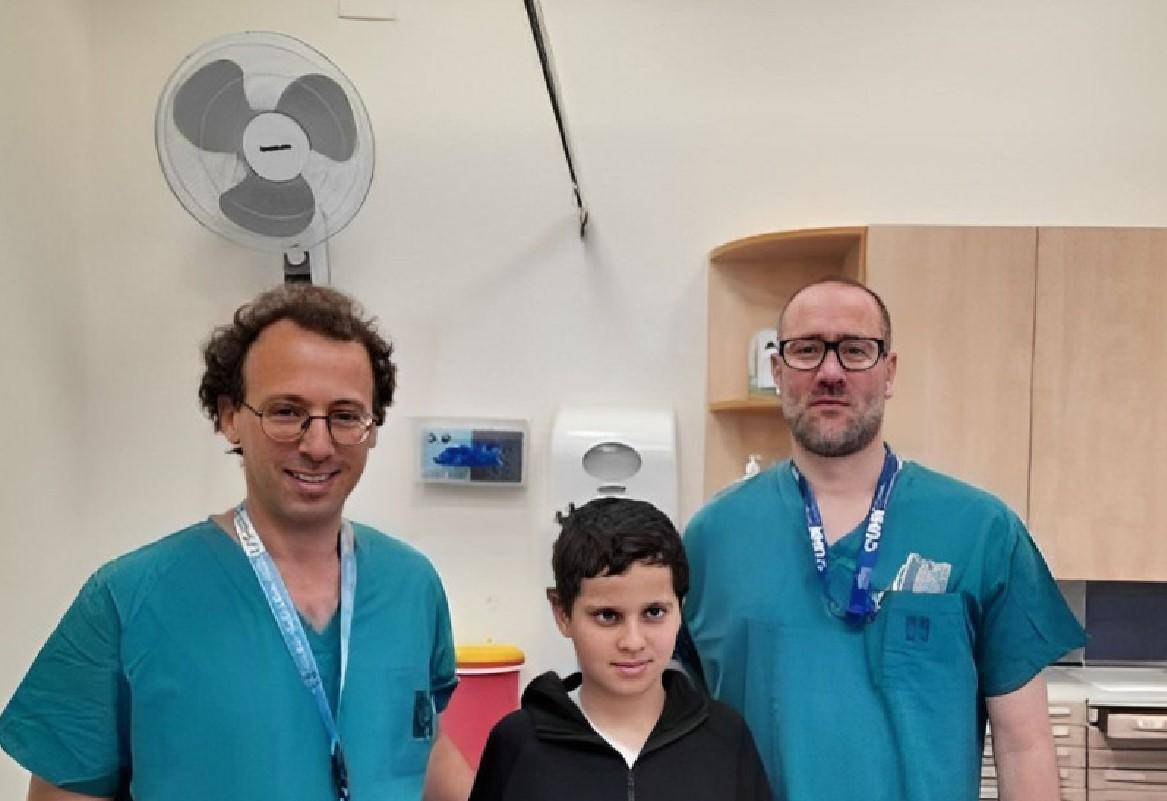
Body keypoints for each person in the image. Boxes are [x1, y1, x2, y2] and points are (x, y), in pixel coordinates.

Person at [0, 285, 472, 801]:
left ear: (373, 427)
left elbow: (420, 746)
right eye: (286, 411)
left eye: (344, 416)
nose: (318, 445)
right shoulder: (129, 599)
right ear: (230, 417)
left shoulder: (411, 585)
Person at [681, 278, 1086, 801]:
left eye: (855, 350)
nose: (830, 372)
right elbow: (681, 731)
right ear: (778, 372)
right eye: (806, 350)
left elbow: (1024, 744)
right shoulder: (712, 539)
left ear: (889, 371)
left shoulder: (980, 530)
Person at [468, 497, 772, 801]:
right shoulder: (517, 745)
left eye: (653, 612)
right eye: (607, 616)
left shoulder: (726, 739)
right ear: (562, 614)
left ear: (680, 609)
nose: (633, 642)